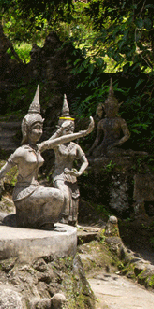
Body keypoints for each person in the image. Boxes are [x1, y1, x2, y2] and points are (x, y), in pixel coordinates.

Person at [0, 87, 94, 229]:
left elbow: (55, 140)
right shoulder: (21, 151)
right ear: (26, 130)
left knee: (57, 198)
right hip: (23, 192)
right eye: (36, 128)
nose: (40, 132)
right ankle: (38, 222)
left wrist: (83, 133)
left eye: (41, 128)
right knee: (58, 195)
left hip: (35, 189)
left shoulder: (37, 148)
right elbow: (3, 171)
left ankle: (40, 223)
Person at [50, 95, 88, 226]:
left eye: (71, 129)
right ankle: (62, 221)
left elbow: (85, 161)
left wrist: (80, 172)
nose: (70, 132)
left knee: (75, 198)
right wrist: (60, 130)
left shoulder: (75, 146)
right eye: (67, 130)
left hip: (71, 176)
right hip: (59, 175)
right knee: (65, 195)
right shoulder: (57, 144)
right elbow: (47, 144)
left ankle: (73, 222)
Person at [87, 81, 132, 158]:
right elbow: (98, 139)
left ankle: (132, 153)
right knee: (96, 153)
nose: (110, 110)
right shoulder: (101, 122)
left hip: (114, 144)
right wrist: (90, 150)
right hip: (104, 144)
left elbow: (127, 135)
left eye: (113, 108)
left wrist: (117, 143)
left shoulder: (120, 121)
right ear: (105, 108)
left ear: (117, 108)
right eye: (108, 108)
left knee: (112, 152)